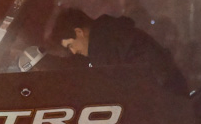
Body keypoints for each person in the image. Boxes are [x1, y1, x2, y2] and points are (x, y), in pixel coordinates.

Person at [49, 7, 189, 96]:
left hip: (164, 106)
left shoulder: (102, 47)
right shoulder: (113, 33)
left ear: (79, 32)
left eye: (70, 45)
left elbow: (113, 94)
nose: (73, 51)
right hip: (173, 97)